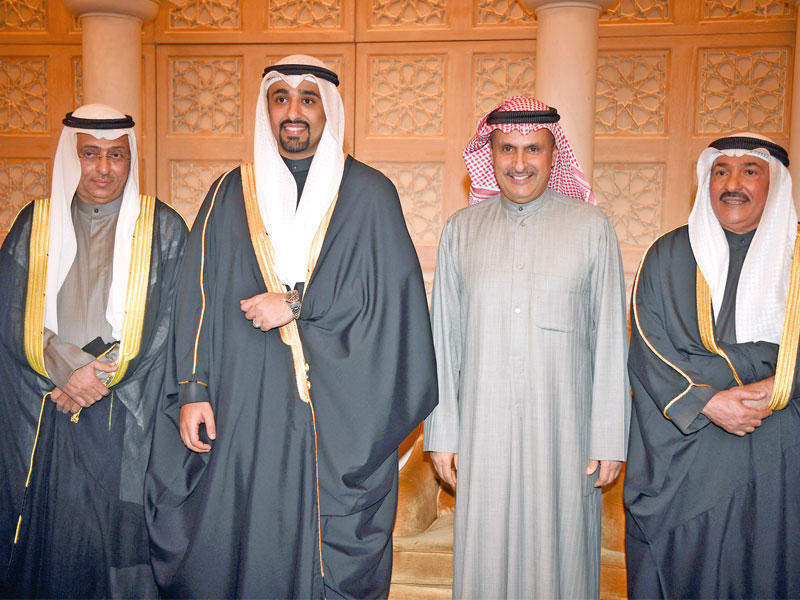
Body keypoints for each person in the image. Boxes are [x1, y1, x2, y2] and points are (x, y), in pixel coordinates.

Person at [144, 54, 438, 599]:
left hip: (336, 417)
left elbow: (394, 305)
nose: (293, 112)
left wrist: (299, 304)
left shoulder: (370, 194)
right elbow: (196, 298)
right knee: (245, 537)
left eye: (307, 99)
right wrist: (193, 390)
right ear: (267, 110)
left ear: (329, 110)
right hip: (244, 408)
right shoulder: (230, 193)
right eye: (280, 99)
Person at [423, 96, 630, 599]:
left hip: (566, 435)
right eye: (507, 149)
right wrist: (442, 434)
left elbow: (610, 340)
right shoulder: (461, 231)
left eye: (533, 148)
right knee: (485, 560)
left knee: (561, 560)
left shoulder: (592, 228)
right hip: (481, 432)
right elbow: (442, 342)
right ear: (489, 155)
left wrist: (609, 438)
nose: (520, 162)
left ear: (554, 154)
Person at [0, 104, 188, 597]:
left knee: (122, 550)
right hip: (50, 409)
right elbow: (9, 313)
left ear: (130, 160)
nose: (104, 168)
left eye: (116, 155)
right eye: (90, 154)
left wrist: (97, 375)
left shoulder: (162, 227)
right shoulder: (34, 224)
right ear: (71, 157)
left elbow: (173, 322)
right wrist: (66, 371)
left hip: (129, 414)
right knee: (55, 546)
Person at [624, 133, 800, 598]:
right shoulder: (667, 255)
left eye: (749, 171)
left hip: (778, 458)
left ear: (775, 183)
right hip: (691, 461)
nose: (732, 184)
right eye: (721, 171)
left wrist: (780, 383)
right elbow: (647, 346)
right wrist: (707, 401)